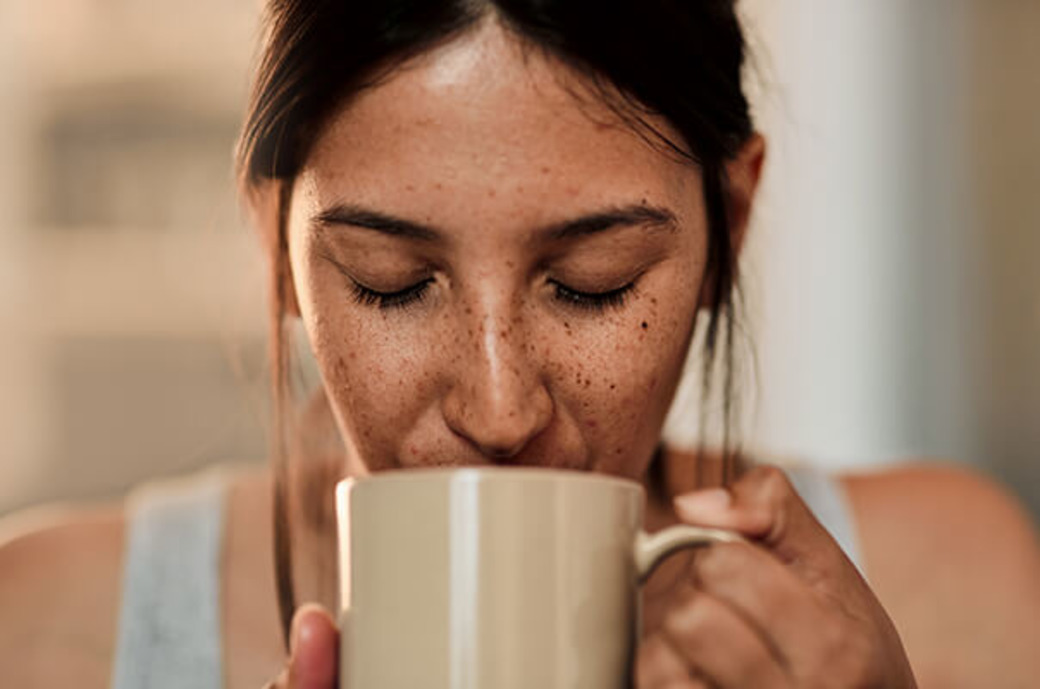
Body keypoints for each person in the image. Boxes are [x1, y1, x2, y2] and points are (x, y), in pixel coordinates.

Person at [2, 1, 1039, 687]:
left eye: (594, 285)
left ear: (732, 223)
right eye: (391, 282)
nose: (499, 412)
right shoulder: (47, 626)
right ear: (274, 249)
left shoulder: (951, 590)